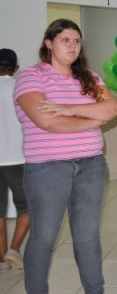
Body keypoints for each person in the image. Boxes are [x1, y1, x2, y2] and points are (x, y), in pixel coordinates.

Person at [14, 19, 117, 293]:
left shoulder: (89, 77)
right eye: (65, 40)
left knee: (88, 236)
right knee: (44, 237)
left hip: (91, 166)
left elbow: (112, 109)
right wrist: (92, 119)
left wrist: (68, 109)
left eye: (77, 41)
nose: (73, 46)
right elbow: (47, 121)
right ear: (49, 43)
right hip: (48, 169)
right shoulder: (31, 76)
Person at [0, 49, 29, 270]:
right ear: (15, 66)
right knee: (28, 206)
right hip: (18, 157)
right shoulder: (20, 87)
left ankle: (2, 259)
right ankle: (14, 249)